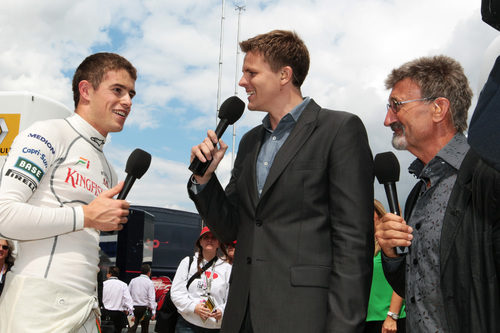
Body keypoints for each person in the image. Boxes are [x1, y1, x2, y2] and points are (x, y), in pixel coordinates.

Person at [188, 29, 374, 332]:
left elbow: (353, 243)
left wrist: (344, 327)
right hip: (241, 317)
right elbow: (232, 227)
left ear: (284, 75)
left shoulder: (339, 129)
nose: (242, 82)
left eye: (251, 72)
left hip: (305, 317)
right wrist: (205, 180)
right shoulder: (249, 142)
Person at [0, 52, 136, 332]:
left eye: (131, 94)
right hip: (37, 305)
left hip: (85, 306)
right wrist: (85, 215)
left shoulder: (109, 169)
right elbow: (4, 215)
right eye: (118, 90)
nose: (128, 101)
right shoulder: (48, 133)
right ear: (85, 90)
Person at [375, 55, 500, 332]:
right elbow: (417, 292)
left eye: (396, 106)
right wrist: (392, 257)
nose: (387, 120)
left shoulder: (488, 177)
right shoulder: (418, 192)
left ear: (438, 108)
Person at [170, 226, 232, 332]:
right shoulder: (188, 262)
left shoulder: (227, 268)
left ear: (218, 243)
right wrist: (194, 307)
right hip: (188, 325)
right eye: (206, 237)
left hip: (215, 327)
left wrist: (221, 310)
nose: (209, 240)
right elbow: (176, 293)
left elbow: (231, 297)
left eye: (214, 238)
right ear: (200, 242)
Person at [365, 200, 405, 333]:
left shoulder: (389, 242)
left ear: (379, 214)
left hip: (389, 321)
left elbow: (402, 276)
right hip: (365, 320)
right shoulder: (361, 247)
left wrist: (392, 316)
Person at [102, 266, 135, 333]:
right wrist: (131, 313)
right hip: (118, 314)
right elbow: (128, 300)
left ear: (109, 274)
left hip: (105, 312)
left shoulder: (103, 284)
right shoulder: (123, 285)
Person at [128, 263, 157, 333]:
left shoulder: (133, 280)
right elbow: (151, 298)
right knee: (145, 329)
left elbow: (128, 295)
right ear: (149, 272)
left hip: (133, 308)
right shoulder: (149, 283)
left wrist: (128, 308)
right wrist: (153, 312)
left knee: (131, 328)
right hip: (145, 310)